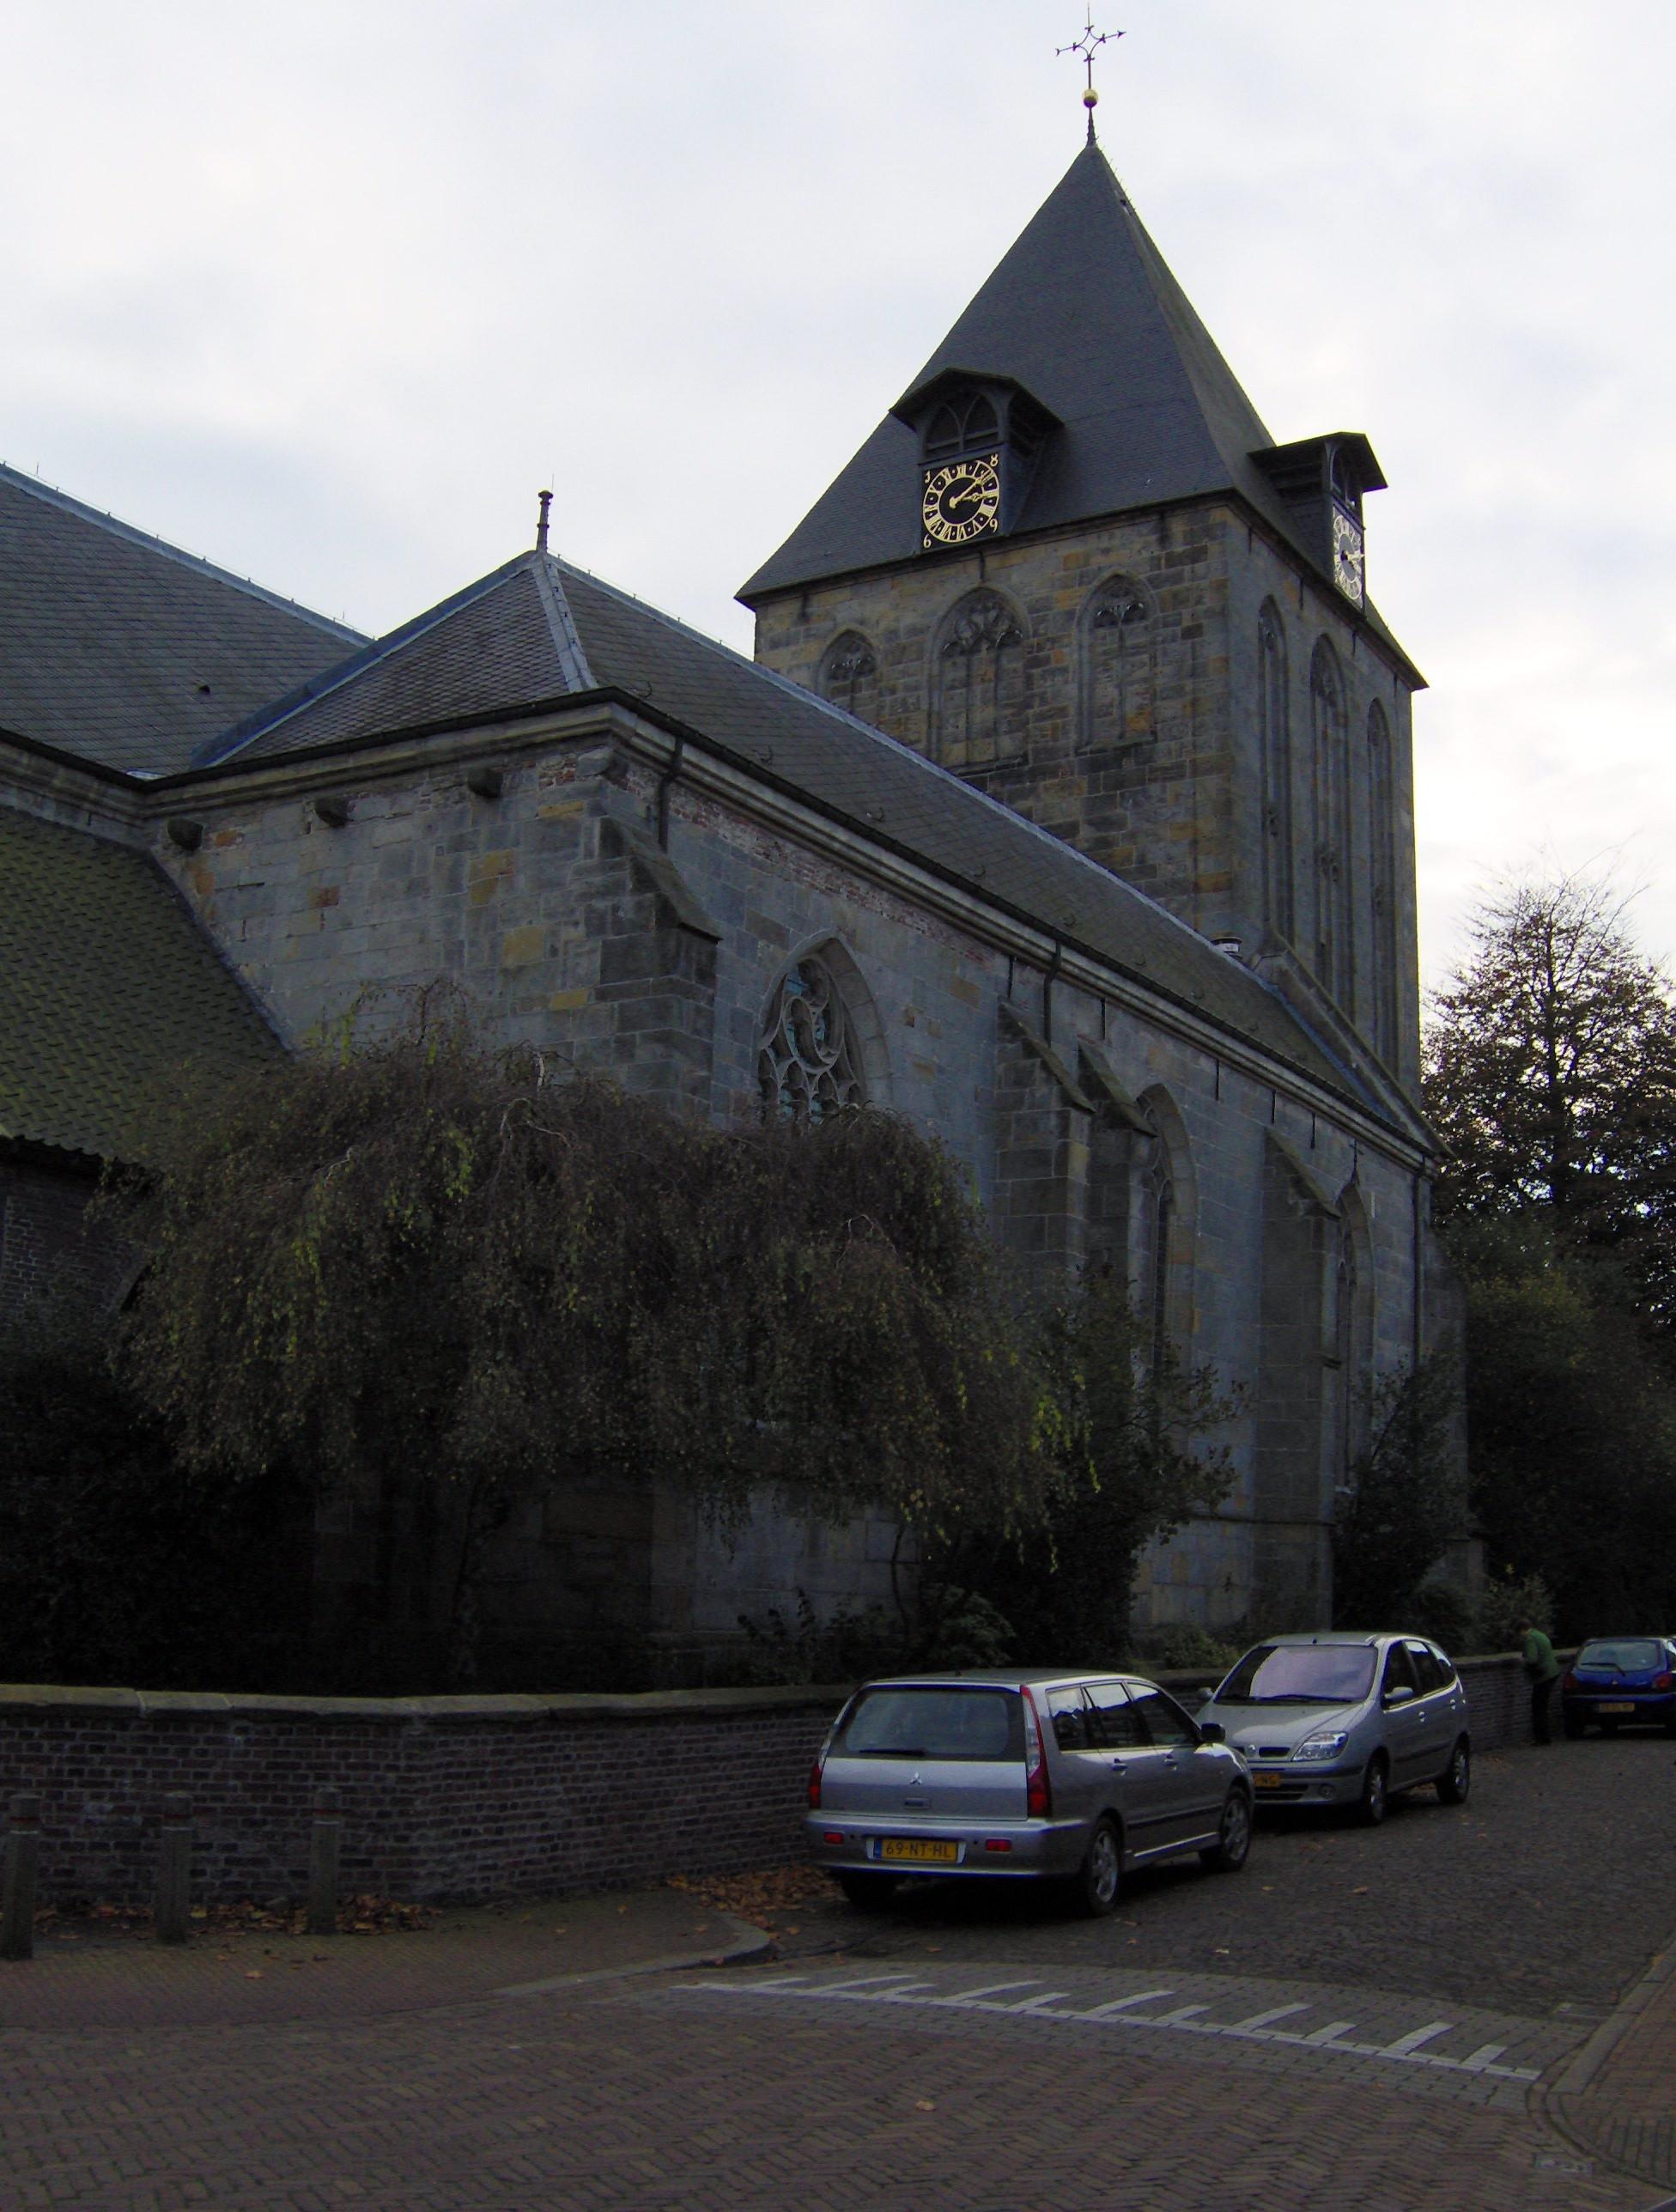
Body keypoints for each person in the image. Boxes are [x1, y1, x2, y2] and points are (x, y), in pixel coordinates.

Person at [1517, 1617, 1561, 1744]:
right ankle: (1544, 1737)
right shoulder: (1540, 1635)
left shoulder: (1530, 1639)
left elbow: (1532, 1659)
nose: (1520, 1637)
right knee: (1542, 1705)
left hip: (1543, 1676)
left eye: (1520, 1633)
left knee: (1538, 1707)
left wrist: (1522, 1661)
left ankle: (1541, 1738)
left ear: (1522, 1630)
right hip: (1552, 1672)